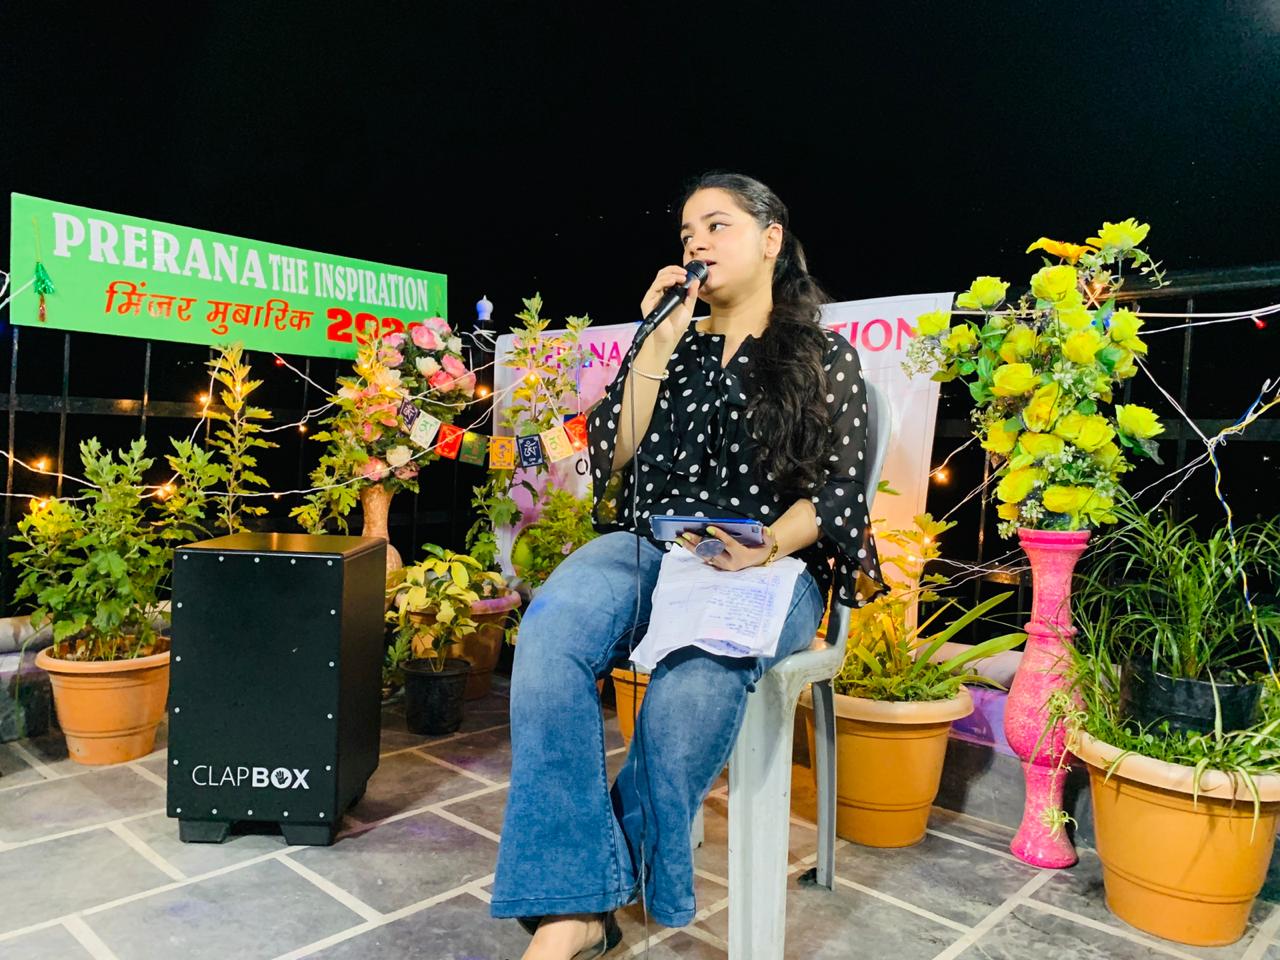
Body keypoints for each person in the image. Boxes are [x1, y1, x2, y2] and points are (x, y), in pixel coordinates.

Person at [491, 172, 885, 960]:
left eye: (716, 225)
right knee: (550, 632)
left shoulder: (822, 356)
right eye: (685, 233)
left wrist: (766, 544)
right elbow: (610, 448)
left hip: (767, 563)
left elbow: (838, 492)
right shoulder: (670, 344)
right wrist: (659, 339)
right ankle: (578, 905)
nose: (696, 243)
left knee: (690, 694)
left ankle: (585, 902)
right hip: (650, 547)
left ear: (771, 239)